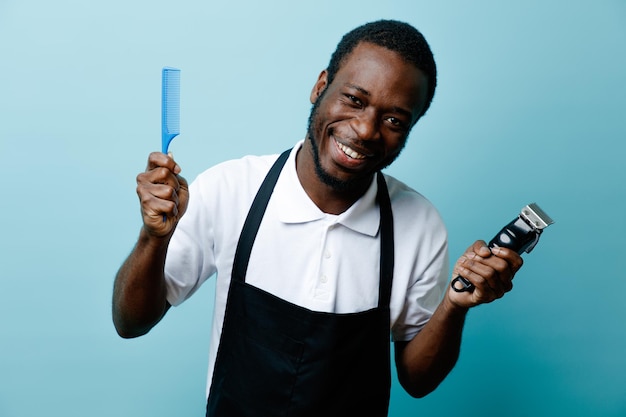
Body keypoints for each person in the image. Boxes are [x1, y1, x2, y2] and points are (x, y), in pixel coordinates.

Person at [113, 19, 523, 416]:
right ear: (321, 86)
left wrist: (454, 305)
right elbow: (131, 322)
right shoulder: (231, 189)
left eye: (394, 120)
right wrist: (153, 237)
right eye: (354, 100)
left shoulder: (419, 226)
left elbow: (418, 380)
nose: (365, 130)